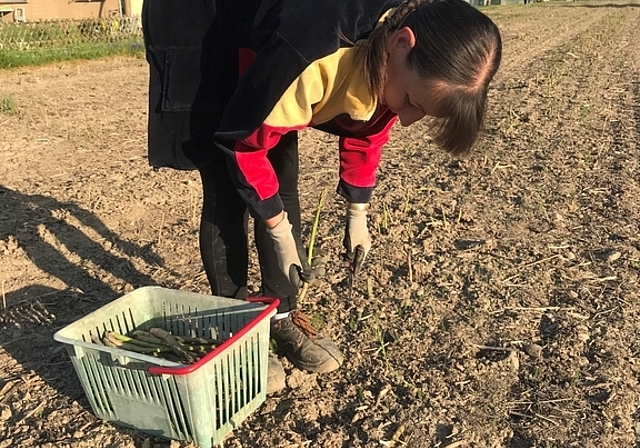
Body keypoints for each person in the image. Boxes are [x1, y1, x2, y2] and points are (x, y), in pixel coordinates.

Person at [142, 0, 502, 394]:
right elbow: (243, 144)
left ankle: (281, 315)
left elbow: (369, 126)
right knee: (228, 187)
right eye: (414, 103)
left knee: (282, 171)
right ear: (401, 43)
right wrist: (278, 229)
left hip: (271, 32)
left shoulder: (400, 39)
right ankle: (239, 329)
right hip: (204, 22)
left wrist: (357, 210)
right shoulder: (312, 50)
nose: (409, 118)